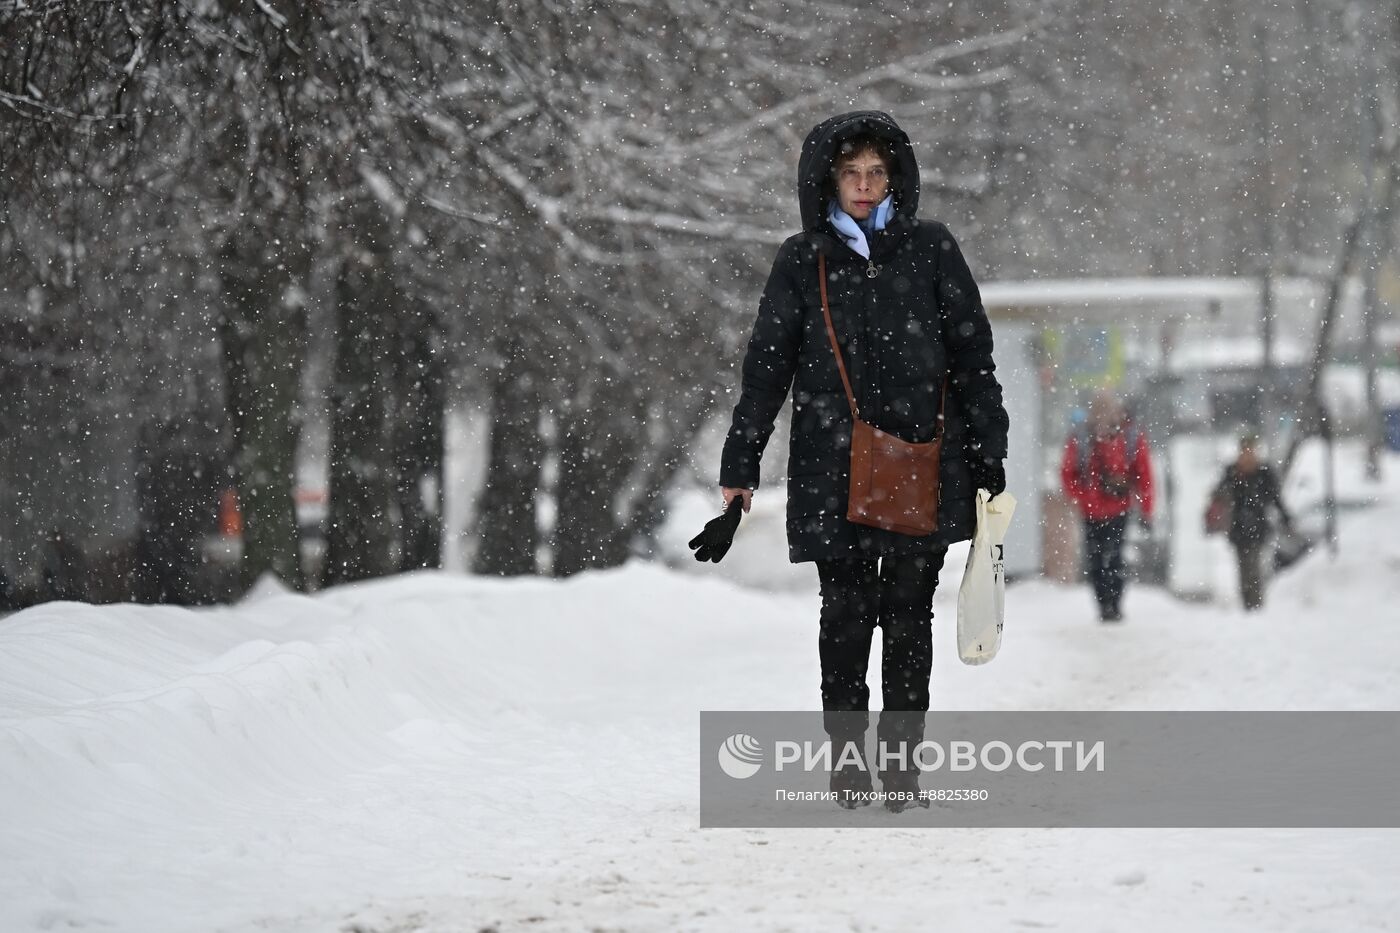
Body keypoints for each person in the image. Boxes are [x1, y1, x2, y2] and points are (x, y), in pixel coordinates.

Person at [713, 110, 1009, 810]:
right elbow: (766, 368)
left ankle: (903, 770)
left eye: (877, 172)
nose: (866, 185)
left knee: (909, 618)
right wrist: (740, 467)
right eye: (852, 173)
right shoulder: (802, 259)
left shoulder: (932, 249)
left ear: (896, 176)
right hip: (829, 467)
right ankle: (847, 764)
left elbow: (974, 359)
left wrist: (989, 451)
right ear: (828, 179)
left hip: (922, 465)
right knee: (844, 616)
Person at [1060, 391, 1153, 623]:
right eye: (1099, 410)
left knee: (1113, 556)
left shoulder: (1130, 438)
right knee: (1096, 558)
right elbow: (1067, 474)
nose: (1105, 417)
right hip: (1090, 511)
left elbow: (1144, 476)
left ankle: (1114, 603)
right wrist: (1083, 496)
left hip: (1119, 509)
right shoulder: (1081, 438)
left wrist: (1146, 508)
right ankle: (1104, 604)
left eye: (1109, 410)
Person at [1212, 433, 1292, 611]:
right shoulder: (1233, 472)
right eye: (1244, 449)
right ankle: (1248, 602)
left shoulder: (1264, 472)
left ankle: (1255, 602)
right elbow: (1220, 493)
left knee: (1253, 565)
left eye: (1250, 449)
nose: (1247, 453)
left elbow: (1275, 498)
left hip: (1257, 526)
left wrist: (1286, 517)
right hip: (1239, 527)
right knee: (1243, 566)